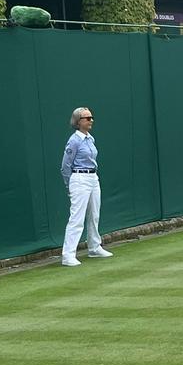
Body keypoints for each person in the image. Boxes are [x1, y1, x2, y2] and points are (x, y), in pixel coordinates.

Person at [60, 107, 113, 267]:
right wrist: (70, 185)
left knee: (94, 214)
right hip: (79, 178)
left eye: (91, 117)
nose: (91, 120)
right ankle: (68, 255)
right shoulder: (74, 140)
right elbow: (65, 166)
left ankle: (94, 247)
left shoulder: (90, 139)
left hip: (93, 177)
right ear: (78, 122)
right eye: (87, 118)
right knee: (77, 218)